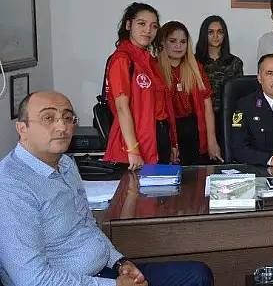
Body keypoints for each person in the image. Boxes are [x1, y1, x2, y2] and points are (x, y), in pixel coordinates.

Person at [0, 91, 214, 286]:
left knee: (197, 275)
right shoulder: (11, 185)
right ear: (22, 129)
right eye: (48, 118)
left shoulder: (65, 164)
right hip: (71, 281)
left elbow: (88, 225)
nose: (62, 127)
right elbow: (32, 279)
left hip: (103, 271)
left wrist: (119, 263)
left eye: (67, 118)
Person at [103, 3, 178, 169]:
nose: (148, 30)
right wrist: (133, 149)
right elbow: (122, 108)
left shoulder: (150, 61)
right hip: (136, 142)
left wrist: (172, 142)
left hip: (159, 135)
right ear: (128, 25)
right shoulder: (122, 59)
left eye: (154, 26)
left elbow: (162, 105)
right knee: (137, 186)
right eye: (141, 24)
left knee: (163, 185)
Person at [156, 21, 222, 165]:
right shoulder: (154, 68)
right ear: (162, 43)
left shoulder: (195, 67)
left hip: (194, 132)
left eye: (183, 42)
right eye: (172, 41)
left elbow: (207, 105)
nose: (178, 46)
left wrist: (212, 141)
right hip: (166, 133)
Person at [194, 15, 244, 150]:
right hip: (200, 118)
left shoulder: (235, 63)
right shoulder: (194, 62)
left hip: (227, 118)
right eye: (211, 32)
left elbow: (239, 98)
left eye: (220, 32)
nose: (215, 36)